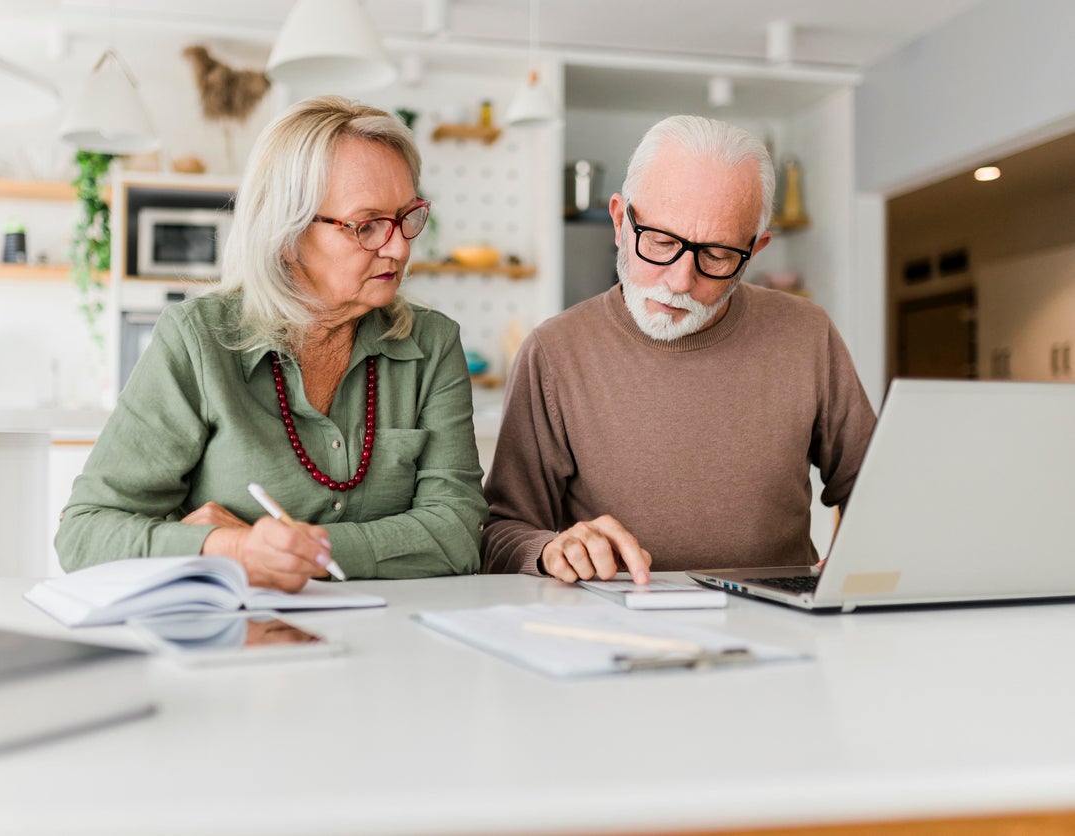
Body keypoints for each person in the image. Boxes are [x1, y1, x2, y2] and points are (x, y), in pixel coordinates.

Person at [57, 96, 487, 591]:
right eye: (366, 225)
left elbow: (457, 532)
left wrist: (299, 553)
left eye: (407, 216)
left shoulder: (432, 344)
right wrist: (226, 550)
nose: (400, 246)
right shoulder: (199, 340)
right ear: (287, 232)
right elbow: (84, 534)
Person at [481, 114, 877, 583]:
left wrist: (864, 560)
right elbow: (500, 534)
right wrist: (550, 549)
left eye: (717, 255)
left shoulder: (807, 333)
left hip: (782, 624)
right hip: (618, 626)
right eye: (662, 242)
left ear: (758, 247)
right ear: (619, 222)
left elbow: (875, 487)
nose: (680, 280)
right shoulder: (554, 351)